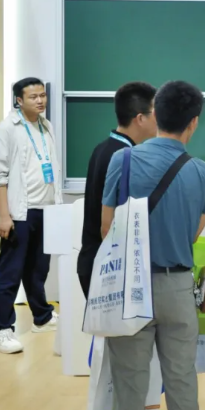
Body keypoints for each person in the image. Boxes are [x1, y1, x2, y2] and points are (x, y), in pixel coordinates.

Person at [101, 80, 205, 410]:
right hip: (177, 287)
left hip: (130, 287)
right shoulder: (204, 174)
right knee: (182, 380)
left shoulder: (122, 160)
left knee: (129, 384)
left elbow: (107, 227)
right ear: (193, 122)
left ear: (155, 114)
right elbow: (193, 236)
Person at [0, 77, 61, 354]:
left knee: (38, 269)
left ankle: (41, 317)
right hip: (20, 212)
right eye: (33, 97)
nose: (40, 101)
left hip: (45, 209)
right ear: (19, 100)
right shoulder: (7, 129)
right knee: (10, 272)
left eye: (42, 95)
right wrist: (4, 216)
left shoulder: (45, 125)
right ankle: (1, 330)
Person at [77, 82, 157, 298]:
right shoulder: (125, 157)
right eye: (155, 113)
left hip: (95, 260)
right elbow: (110, 223)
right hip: (111, 266)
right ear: (140, 118)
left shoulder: (104, 147)